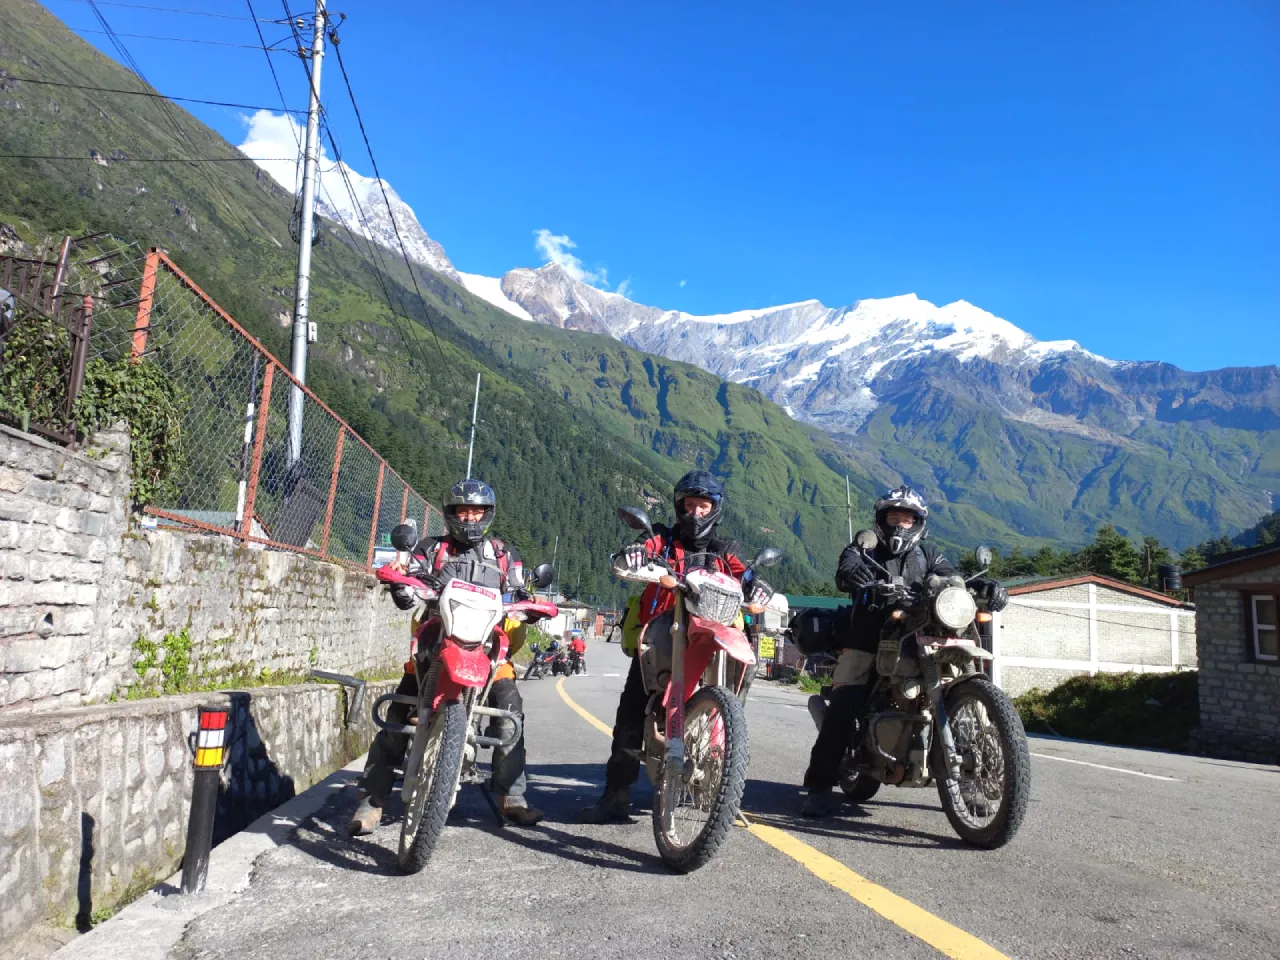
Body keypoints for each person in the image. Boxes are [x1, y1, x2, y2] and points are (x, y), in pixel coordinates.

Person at [349, 479, 545, 835]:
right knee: (399, 710)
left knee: (509, 710)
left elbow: (518, 587)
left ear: (488, 514)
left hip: (488, 648)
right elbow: (412, 576)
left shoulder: (503, 555)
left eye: (477, 511)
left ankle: (512, 797)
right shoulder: (431, 548)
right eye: (462, 510)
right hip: (436, 641)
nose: (469, 517)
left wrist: (530, 606)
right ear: (451, 513)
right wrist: (403, 590)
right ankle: (372, 799)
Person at [800, 485, 1008, 817]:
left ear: (918, 523)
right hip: (868, 640)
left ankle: (969, 782)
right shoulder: (864, 548)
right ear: (881, 519)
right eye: (894, 516)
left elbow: (953, 580)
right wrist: (857, 576)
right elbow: (846, 571)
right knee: (845, 704)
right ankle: (820, 785)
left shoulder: (929, 555)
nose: (900, 524)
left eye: (908, 519)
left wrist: (983, 587)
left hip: (922, 637)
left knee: (966, 697)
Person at [580, 470, 772, 823]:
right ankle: (615, 796)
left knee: (746, 671)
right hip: (663, 635)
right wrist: (635, 553)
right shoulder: (663, 540)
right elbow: (639, 550)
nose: (696, 512)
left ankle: (726, 749)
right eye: (690, 504)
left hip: (711, 635)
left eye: (703, 505)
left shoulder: (724, 549)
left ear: (714, 509)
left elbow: (745, 575)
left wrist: (757, 585)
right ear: (678, 506)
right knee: (631, 711)